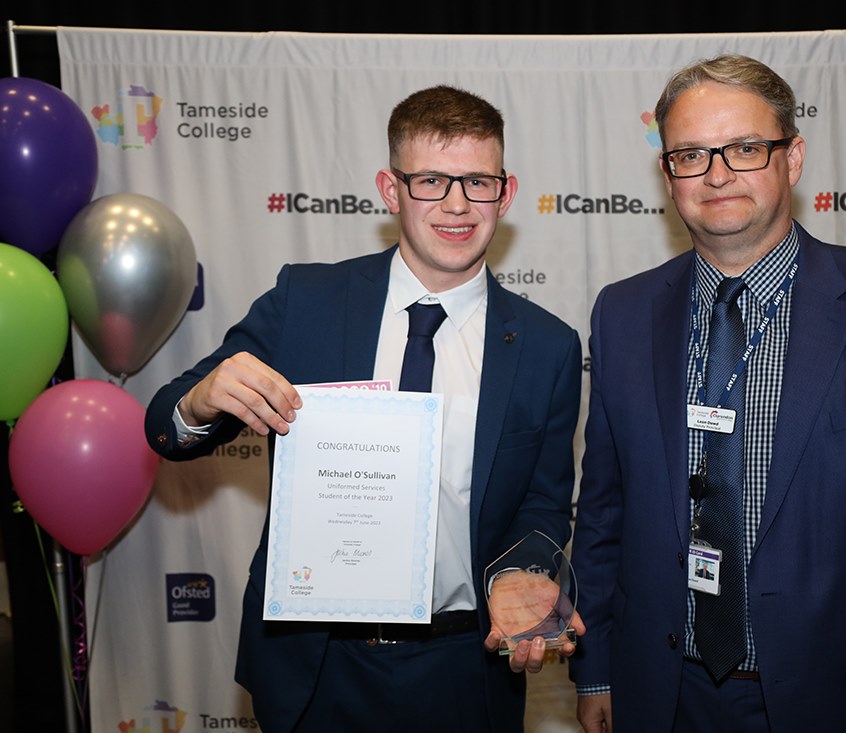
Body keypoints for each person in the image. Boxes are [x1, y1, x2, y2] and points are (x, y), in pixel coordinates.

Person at [569, 54, 846, 733]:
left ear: (791, 159)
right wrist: (595, 666)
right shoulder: (622, 315)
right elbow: (603, 513)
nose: (717, 174)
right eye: (691, 154)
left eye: (744, 148)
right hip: (662, 696)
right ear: (668, 174)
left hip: (841, 701)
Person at [145, 84, 584, 733]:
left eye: (478, 182)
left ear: (507, 192)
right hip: (315, 668)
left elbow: (544, 500)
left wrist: (522, 570)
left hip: (465, 672)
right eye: (432, 180)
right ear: (391, 187)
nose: (458, 204)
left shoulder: (548, 345)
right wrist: (198, 400)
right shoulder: (309, 301)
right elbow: (165, 426)